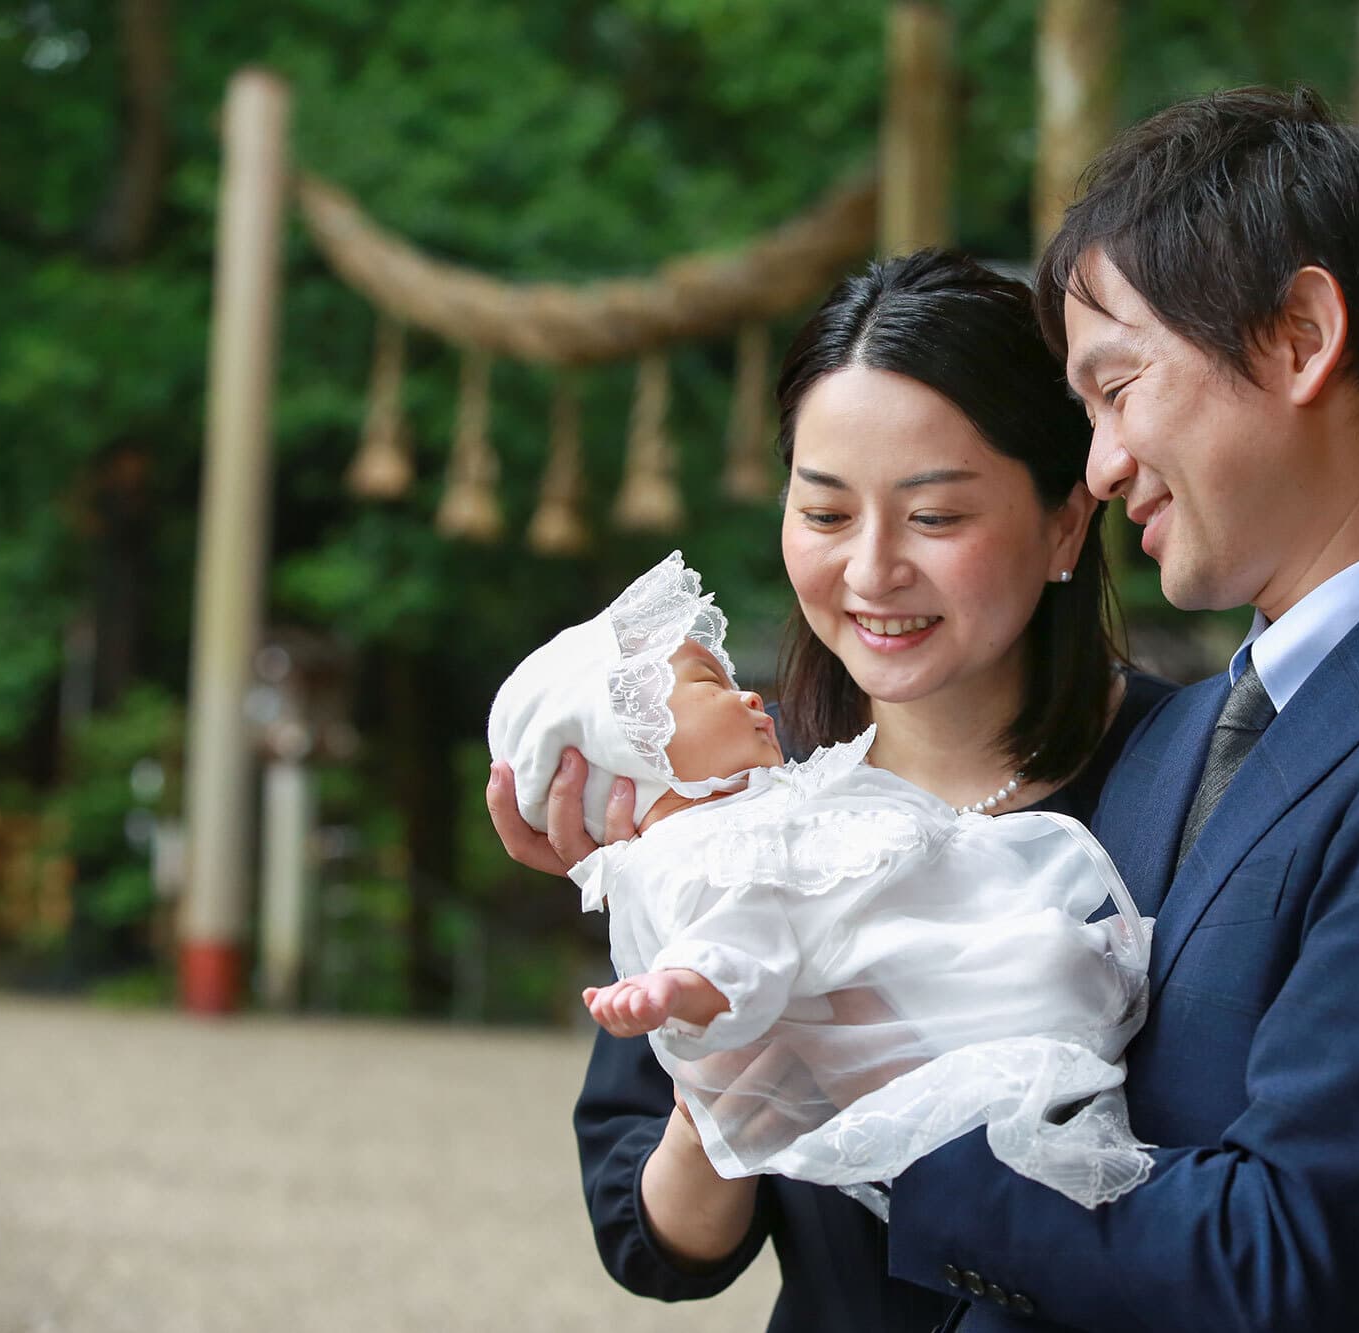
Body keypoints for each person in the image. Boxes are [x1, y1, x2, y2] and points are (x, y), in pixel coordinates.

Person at [868, 87, 1359, 1329]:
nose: (1100, 464)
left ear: (1300, 337)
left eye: (1119, 388)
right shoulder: (1186, 732)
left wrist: (897, 1140)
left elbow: (1275, 1259)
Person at [486, 250, 1175, 1331]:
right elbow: (661, 1244)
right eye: (824, 513)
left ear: (1064, 524)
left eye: (934, 517)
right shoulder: (739, 795)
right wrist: (725, 1067)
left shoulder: (1191, 772)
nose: (870, 570)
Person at [486, 550, 1153, 1211]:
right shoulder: (688, 854)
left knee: (1042, 959)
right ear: (630, 745)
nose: (750, 694)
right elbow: (734, 934)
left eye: (935, 517)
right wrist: (682, 985)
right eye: (709, 686)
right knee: (1039, 971)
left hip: (932, 956)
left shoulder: (774, 797)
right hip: (918, 991)